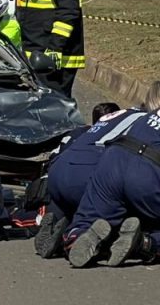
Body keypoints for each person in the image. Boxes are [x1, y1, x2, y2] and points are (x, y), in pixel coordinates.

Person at [34, 101, 148, 259]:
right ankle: (76, 237)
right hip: (88, 173)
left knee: (82, 206)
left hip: (59, 169)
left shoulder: (119, 115)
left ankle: (62, 228)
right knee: (121, 214)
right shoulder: (146, 123)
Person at [65, 90, 160, 268]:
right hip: (150, 171)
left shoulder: (151, 114)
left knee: (90, 216)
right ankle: (146, 243)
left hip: (114, 160)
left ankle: (76, 235)